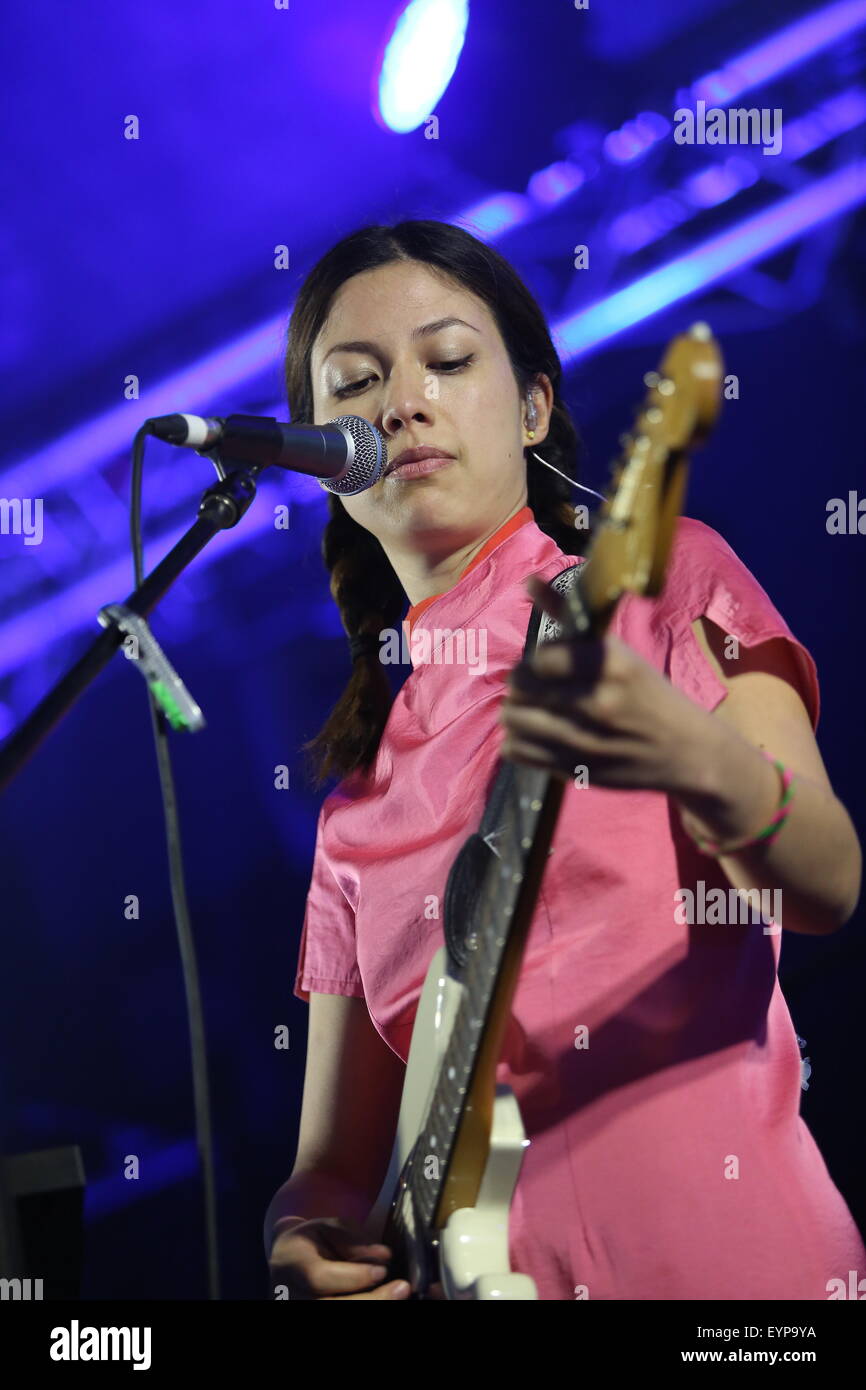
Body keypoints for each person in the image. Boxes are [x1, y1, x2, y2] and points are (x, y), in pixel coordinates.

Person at [264, 219, 864, 1301]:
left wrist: (688, 751)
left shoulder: (660, 581)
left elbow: (825, 878)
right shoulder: (352, 815)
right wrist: (304, 1235)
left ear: (534, 405)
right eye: (354, 384)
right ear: (319, 459)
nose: (400, 403)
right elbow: (332, 1173)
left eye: (446, 362)